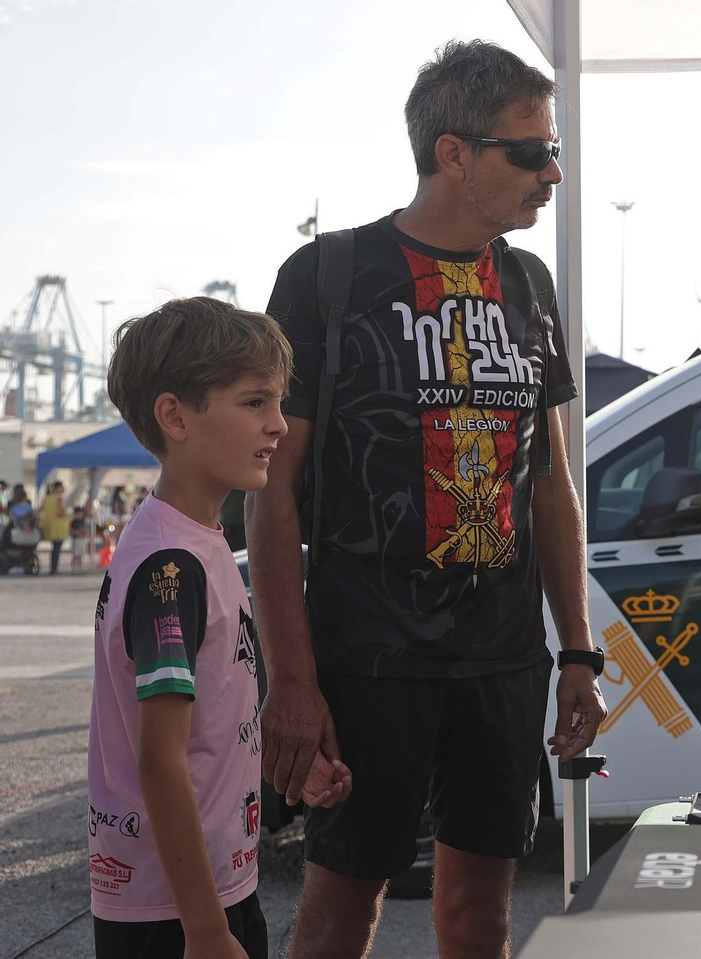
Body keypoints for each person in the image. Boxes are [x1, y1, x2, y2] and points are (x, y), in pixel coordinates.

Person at [250, 40, 606, 959]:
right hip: (366, 659)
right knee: (338, 910)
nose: (553, 173)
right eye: (529, 152)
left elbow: (550, 481)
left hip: (500, 660)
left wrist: (577, 649)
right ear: (455, 154)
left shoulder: (529, 283)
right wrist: (292, 680)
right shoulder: (328, 276)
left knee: (480, 913)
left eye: (552, 150)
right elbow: (271, 494)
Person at [88, 297, 351, 959]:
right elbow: (160, 759)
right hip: (177, 912)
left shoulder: (197, 542)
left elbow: (207, 708)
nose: (280, 426)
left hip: (211, 886)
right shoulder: (169, 567)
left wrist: (272, 762)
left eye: (279, 401)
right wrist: (206, 931)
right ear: (175, 415)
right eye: (254, 402)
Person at [40, 480, 70, 574]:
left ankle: (53, 567)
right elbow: (63, 512)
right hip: (58, 525)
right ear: (58, 488)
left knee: (54, 547)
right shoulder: (59, 498)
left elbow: (41, 509)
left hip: (49, 524)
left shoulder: (47, 498)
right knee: (57, 547)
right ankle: (54, 567)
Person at [70, 505, 90, 572]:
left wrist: (85, 534)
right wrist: (78, 534)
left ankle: (80, 567)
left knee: (81, 554)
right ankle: (73, 567)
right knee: (75, 554)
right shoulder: (74, 522)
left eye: (80, 513)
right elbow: (72, 531)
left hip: (82, 539)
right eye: (78, 514)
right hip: (76, 539)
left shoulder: (83, 521)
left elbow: (85, 530)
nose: (79, 515)